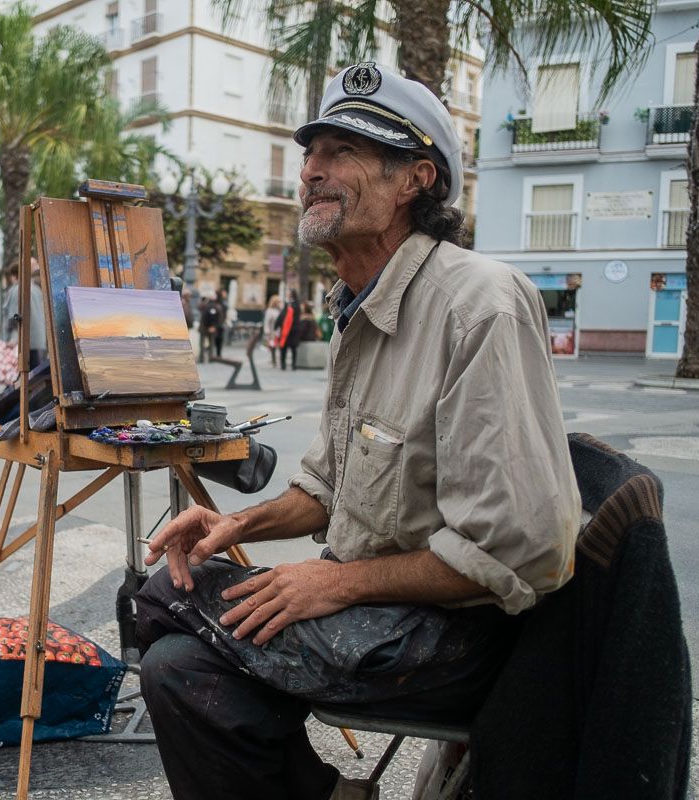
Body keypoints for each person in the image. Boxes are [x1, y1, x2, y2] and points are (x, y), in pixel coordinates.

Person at [135, 62, 580, 800]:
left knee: (163, 604)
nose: (312, 170)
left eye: (343, 151)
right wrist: (235, 522)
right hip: (381, 609)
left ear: (417, 180)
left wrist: (334, 583)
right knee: (173, 662)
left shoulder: (480, 305)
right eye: (312, 153)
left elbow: (521, 550)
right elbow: (328, 487)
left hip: (459, 634)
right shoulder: (360, 310)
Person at [274, 290, 301, 370]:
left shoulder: (289, 305)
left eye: (288, 294)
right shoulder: (298, 305)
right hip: (295, 329)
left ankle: (283, 365)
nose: (287, 295)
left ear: (291, 295)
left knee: (284, 347)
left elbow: (282, 316)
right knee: (293, 348)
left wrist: (276, 325)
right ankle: (293, 365)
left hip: (287, 329)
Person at [263, 294, 283, 366]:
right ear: (274, 302)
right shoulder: (269, 311)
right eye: (278, 301)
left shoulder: (281, 310)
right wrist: (267, 332)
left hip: (280, 331)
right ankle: (274, 360)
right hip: (272, 332)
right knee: (273, 346)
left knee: (281, 346)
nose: (280, 303)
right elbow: (266, 322)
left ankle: (280, 359)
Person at [212, 289, 228, 358]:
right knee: (218, 339)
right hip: (219, 324)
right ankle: (218, 354)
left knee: (216, 339)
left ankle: (216, 354)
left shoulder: (217, 303)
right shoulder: (221, 303)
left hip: (217, 324)